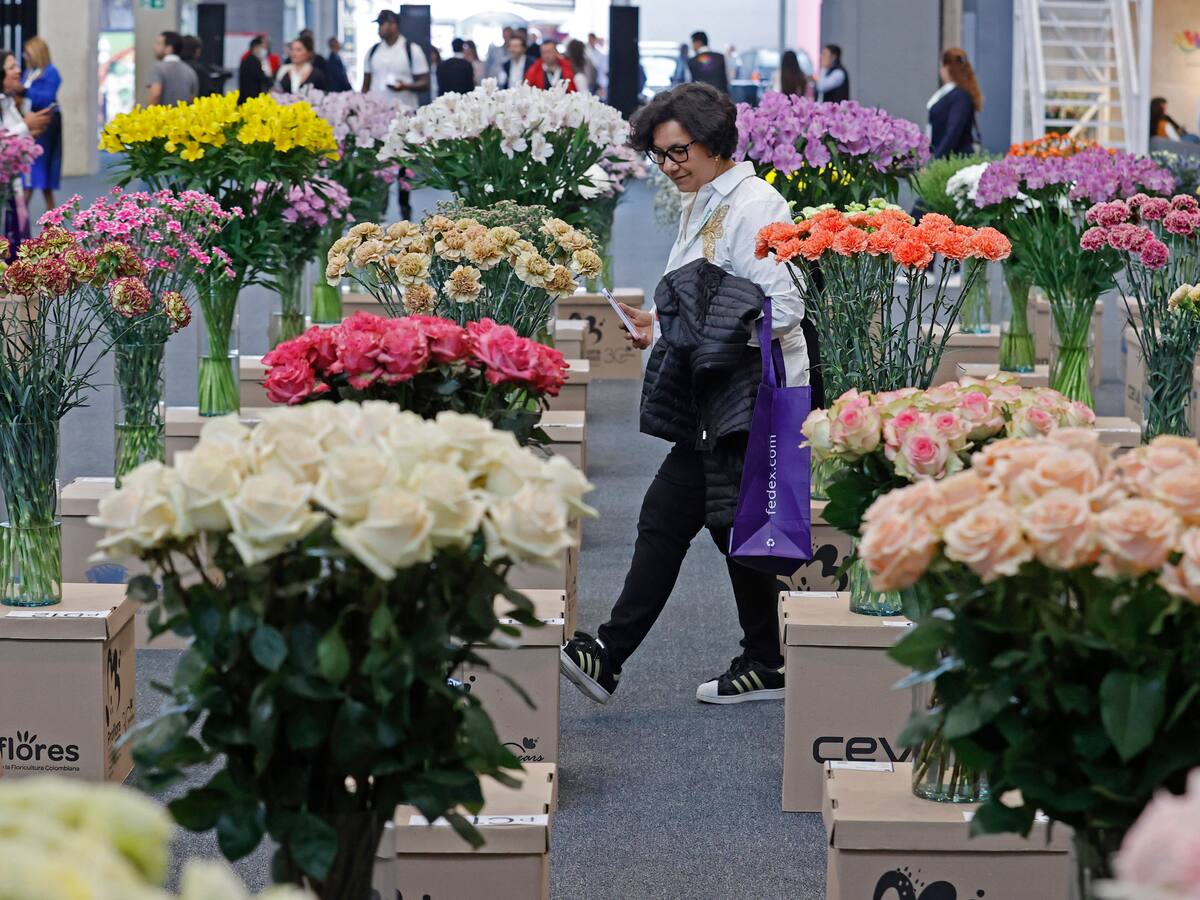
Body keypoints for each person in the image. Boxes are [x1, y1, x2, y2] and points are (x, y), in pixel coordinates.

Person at [559, 82, 810, 706]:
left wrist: (692, 326)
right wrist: (663, 325)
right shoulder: (705, 197)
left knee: (669, 517)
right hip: (716, 391)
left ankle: (609, 655)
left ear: (717, 141)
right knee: (729, 527)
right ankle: (765, 659)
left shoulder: (757, 205)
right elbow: (701, 293)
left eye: (679, 152)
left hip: (747, 390)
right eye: (660, 156)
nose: (669, 167)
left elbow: (784, 305)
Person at [0, 50, 49, 255]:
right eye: (11, 67)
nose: (18, 70)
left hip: (12, 184)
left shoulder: (8, 102)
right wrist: (26, 126)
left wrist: (31, 130)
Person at [20, 36, 60, 214]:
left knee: (39, 168)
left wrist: (25, 92)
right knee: (35, 172)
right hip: (29, 120)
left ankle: (22, 215)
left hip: (46, 124)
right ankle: (50, 214)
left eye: (28, 53)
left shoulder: (51, 72)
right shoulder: (29, 72)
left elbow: (47, 97)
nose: (25, 57)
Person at [363, 10, 429, 113]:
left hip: (405, 113)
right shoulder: (372, 51)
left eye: (381, 24)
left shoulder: (412, 50)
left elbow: (424, 83)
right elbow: (366, 84)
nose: (379, 29)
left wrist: (406, 86)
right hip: (376, 114)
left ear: (393, 24)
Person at [928, 47, 982, 158]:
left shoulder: (960, 96)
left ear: (947, 68)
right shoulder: (952, 93)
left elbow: (953, 131)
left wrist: (935, 159)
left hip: (954, 159)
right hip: (946, 156)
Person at [147, 30, 198, 106]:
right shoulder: (189, 70)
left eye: (159, 44)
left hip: (163, 116)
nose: (154, 46)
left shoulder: (158, 68)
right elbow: (193, 97)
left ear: (169, 48)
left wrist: (148, 113)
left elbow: (155, 93)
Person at [238, 36, 273, 101]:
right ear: (256, 47)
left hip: (245, 96)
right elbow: (261, 77)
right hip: (252, 97)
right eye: (261, 47)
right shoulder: (254, 62)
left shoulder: (246, 60)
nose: (263, 50)